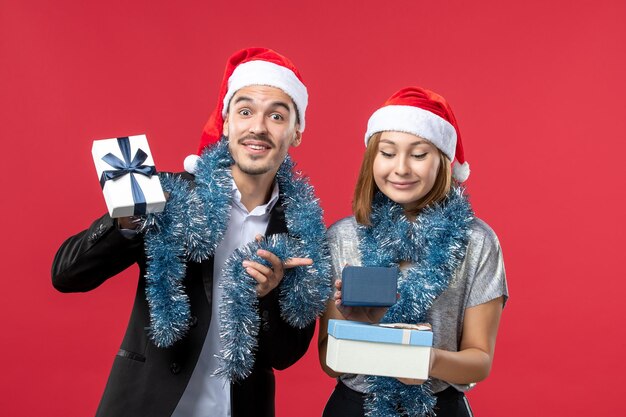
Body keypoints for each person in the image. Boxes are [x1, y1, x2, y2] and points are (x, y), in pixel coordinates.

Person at [52, 47, 330, 417]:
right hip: (146, 403)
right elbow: (66, 275)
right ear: (227, 121)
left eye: (277, 115)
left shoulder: (302, 230)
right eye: (245, 111)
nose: (259, 127)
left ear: (296, 132)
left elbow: (285, 356)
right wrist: (126, 222)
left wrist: (268, 294)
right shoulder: (169, 195)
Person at [318, 87, 508, 417]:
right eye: (388, 153)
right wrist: (361, 328)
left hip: (439, 406)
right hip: (355, 406)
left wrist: (425, 359)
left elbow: (479, 360)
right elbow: (329, 362)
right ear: (372, 159)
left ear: (443, 161)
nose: (401, 168)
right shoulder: (341, 237)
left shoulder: (477, 242)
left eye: (418, 155)